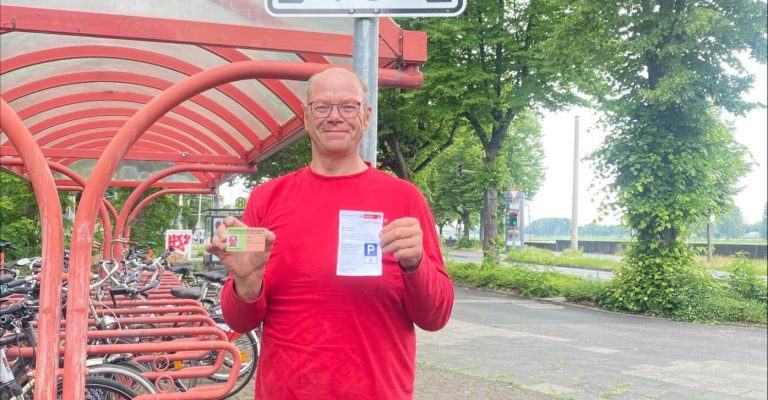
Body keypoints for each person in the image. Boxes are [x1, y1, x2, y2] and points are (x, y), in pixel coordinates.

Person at [206, 68, 454, 400]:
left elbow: (436, 316)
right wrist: (247, 281)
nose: (335, 116)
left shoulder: (404, 199)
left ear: (366, 116)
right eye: (322, 106)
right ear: (306, 117)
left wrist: (416, 264)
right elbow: (240, 321)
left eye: (348, 106)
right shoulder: (266, 199)